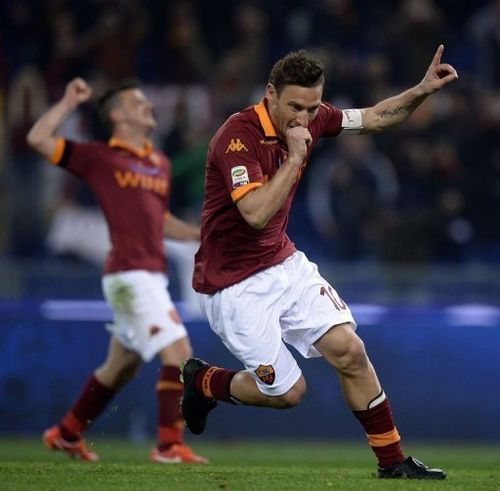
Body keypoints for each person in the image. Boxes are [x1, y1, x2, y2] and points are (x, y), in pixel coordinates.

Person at [181, 46, 458, 478]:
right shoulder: (237, 138)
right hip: (232, 286)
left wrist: (421, 91)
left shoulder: (312, 114)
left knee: (350, 349)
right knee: (289, 394)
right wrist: (293, 157)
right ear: (270, 93)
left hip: (283, 263)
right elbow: (255, 214)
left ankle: (393, 463)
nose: (303, 119)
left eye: (312, 108)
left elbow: (377, 117)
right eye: (294, 107)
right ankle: (203, 383)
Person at [26, 78, 207, 464]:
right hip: (128, 276)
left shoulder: (159, 164)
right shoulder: (100, 158)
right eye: (138, 103)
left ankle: (67, 433)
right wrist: (68, 101)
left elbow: (159, 219)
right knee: (179, 351)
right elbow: (38, 139)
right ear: (117, 115)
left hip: (151, 275)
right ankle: (169, 445)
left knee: (120, 368)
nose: (148, 107)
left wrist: (196, 234)